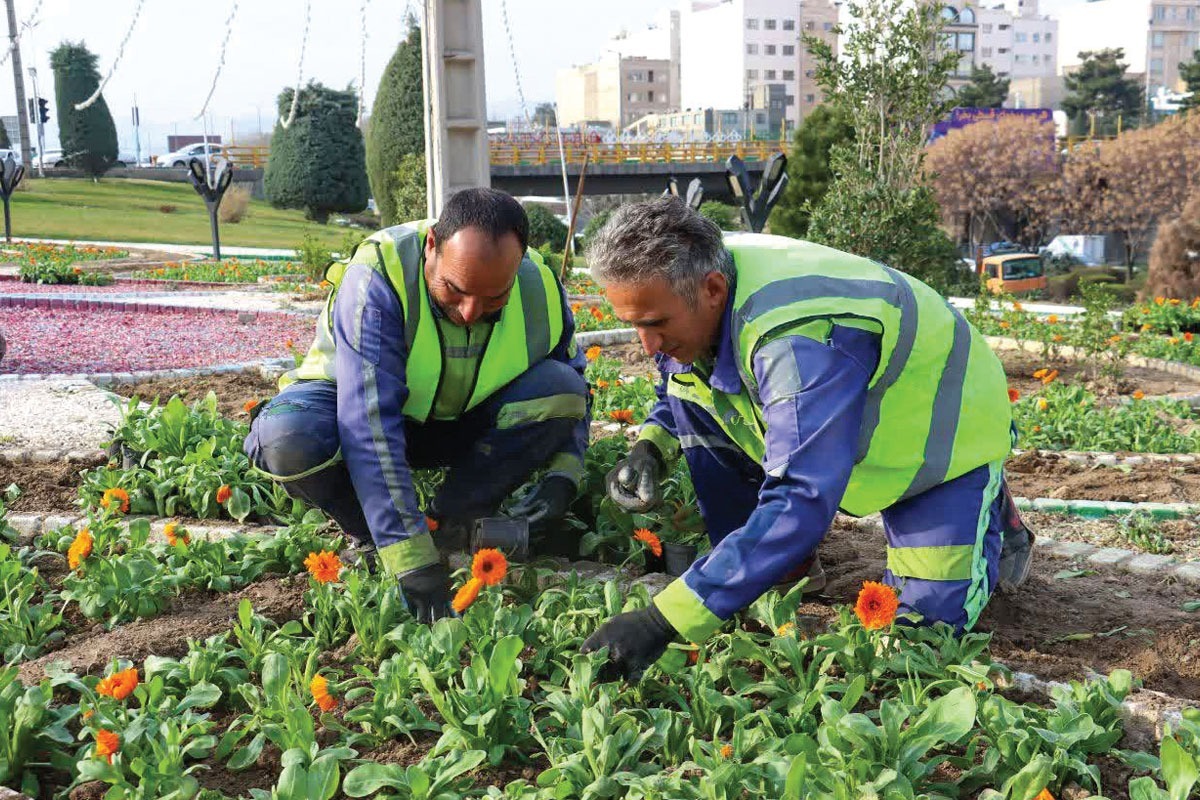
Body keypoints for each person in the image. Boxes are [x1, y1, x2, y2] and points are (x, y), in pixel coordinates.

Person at [580, 197, 1034, 681]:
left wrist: (661, 621)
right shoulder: (685, 278)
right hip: (839, 405)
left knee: (918, 637)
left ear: (713, 289)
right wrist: (650, 446)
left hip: (940, 428)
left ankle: (994, 509)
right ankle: (771, 566)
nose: (647, 344)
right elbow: (681, 385)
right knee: (704, 414)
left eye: (654, 325)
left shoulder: (794, 342)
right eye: (635, 325)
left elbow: (803, 493)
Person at [245, 188, 589, 622]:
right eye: (455, 290)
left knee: (561, 388)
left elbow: (574, 387)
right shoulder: (380, 274)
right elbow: (368, 421)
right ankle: (371, 534)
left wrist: (564, 477)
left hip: (463, 424)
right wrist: (410, 561)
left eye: (493, 299)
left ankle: (452, 519)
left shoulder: (539, 286)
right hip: (350, 416)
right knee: (287, 438)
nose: (470, 312)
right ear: (431, 246)